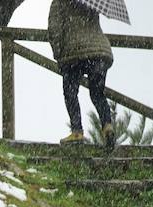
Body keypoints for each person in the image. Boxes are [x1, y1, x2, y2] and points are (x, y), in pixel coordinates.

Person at [48, 0, 115, 146]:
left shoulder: (60, 2)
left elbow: (54, 30)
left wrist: (58, 55)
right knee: (97, 93)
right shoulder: (94, 2)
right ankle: (107, 125)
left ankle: (77, 131)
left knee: (70, 92)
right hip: (101, 51)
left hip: (75, 52)